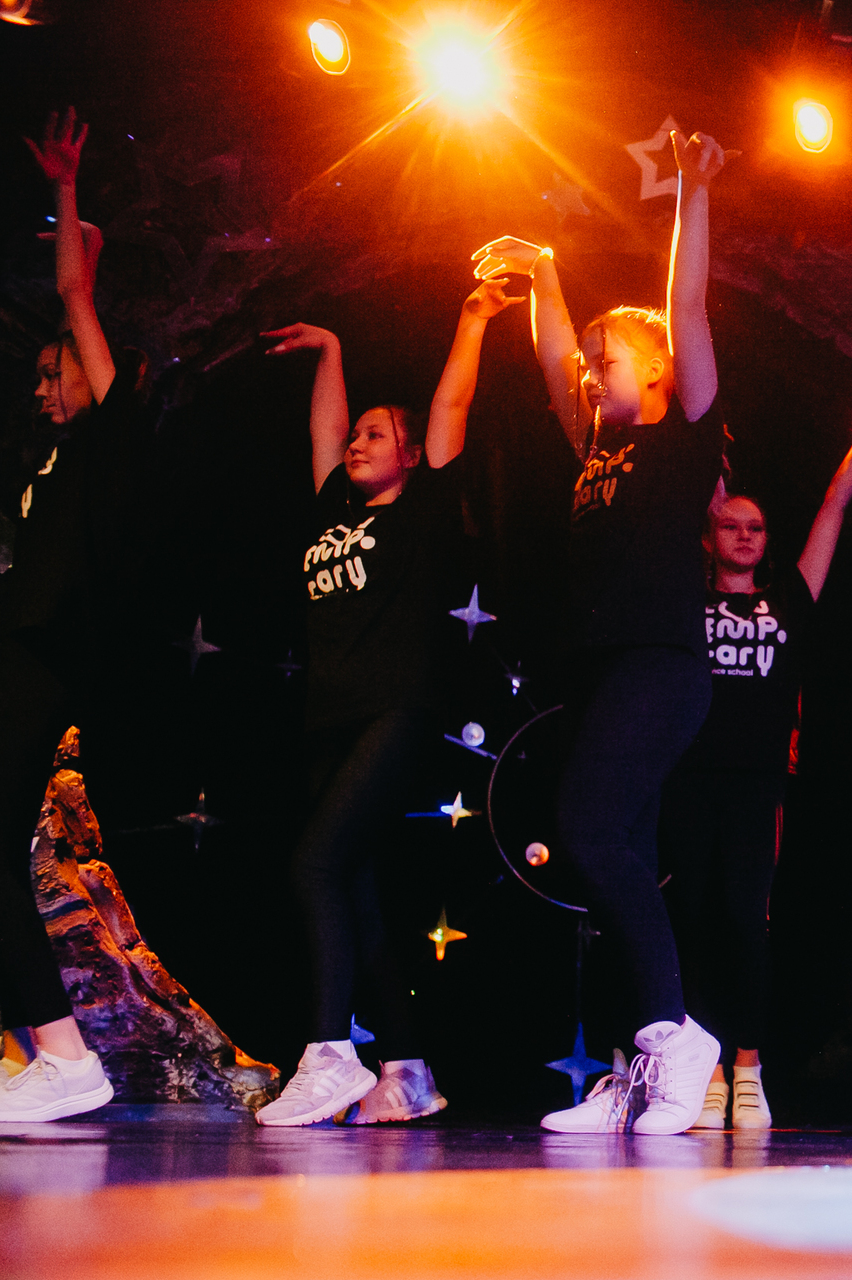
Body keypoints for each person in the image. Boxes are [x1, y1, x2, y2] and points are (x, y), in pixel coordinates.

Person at [491, 131, 734, 1135]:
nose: (593, 375)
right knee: (614, 860)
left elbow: (687, 305)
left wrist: (689, 193)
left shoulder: (684, 439)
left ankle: (678, 1040)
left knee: (588, 832)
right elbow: (555, 362)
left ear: (664, 372)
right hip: (599, 675)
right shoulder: (596, 452)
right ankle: (643, 1061)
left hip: (661, 668)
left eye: (612, 360)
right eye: (592, 365)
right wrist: (545, 274)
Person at [0, 109, 143, 1124]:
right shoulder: (49, 458)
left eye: (57, 373)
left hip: (55, 651)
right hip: (29, 648)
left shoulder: (109, 435)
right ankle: (25, 1052)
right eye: (42, 377)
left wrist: (67, 189)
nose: (45, 388)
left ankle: (66, 1057)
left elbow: (75, 293)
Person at [249, 268, 519, 1126]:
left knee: (314, 865)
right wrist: (331, 349)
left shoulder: (419, 513)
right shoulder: (331, 511)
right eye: (357, 434)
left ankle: (330, 1053)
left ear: (409, 456)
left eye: (378, 435)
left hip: (397, 711)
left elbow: (450, 407)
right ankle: (407, 1071)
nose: (358, 443)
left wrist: (471, 318)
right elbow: (325, 431)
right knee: (355, 892)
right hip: (328, 721)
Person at [664, 410, 852, 1130]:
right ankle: (703, 1069)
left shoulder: (789, 602)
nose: (745, 535)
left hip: (757, 788)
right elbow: (679, 507)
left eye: (757, 527)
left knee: (747, 923)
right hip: (689, 780)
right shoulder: (683, 600)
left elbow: (833, 506)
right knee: (691, 921)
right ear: (709, 536)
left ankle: (748, 1066)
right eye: (731, 525)